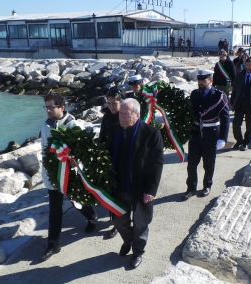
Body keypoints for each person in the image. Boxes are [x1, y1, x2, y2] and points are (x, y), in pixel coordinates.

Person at [40, 93, 98, 261]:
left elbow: (81, 151)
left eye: (51, 107)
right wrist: (47, 173)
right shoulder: (45, 126)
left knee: (77, 200)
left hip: (70, 173)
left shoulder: (73, 125)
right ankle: (53, 244)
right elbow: (44, 150)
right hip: (53, 175)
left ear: (62, 107)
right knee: (55, 211)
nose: (48, 110)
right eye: (46, 107)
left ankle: (91, 216)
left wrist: (77, 168)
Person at [106, 98, 164, 269]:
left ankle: (138, 251)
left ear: (137, 115)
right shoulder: (115, 130)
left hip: (140, 188)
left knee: (140, 224)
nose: (122, 117)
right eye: (121, 113)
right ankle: (128, 241)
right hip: (119, 187)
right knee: (118, 221)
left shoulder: (151, 133)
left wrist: (151, 190)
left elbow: (157, 163)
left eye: (126, 114)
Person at [183, 70, 230, 201]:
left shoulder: (219, 96)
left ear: (211, 80)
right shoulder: (194, 94)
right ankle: (191, 188)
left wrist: (222, 138)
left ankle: (207, 185)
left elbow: (225, 118)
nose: (200, 83)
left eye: (203, 80)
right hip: (195, 133)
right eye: (199, 80)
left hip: (211, 133)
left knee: (208, 163)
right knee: (191, 163)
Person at [98, 88, 125, 240]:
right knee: (111, 191)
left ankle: (120, 221)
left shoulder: (126, 116)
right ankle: (115, 221)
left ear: (121, 102)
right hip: (109, 157)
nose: (111, 107)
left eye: (114, 104)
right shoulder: (106, 117)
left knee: (123, 192)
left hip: (123, 158)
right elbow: (102, 136)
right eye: (109, 103)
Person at [230, 58, 251, 151]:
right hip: (240, 103)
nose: (248, 67)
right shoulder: (240, 75)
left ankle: (246, 142)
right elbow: (235, 89)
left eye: (250, 65)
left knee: (249, 125)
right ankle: (239, 140)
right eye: (247, 65)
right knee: (236, 124)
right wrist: (232, 99)